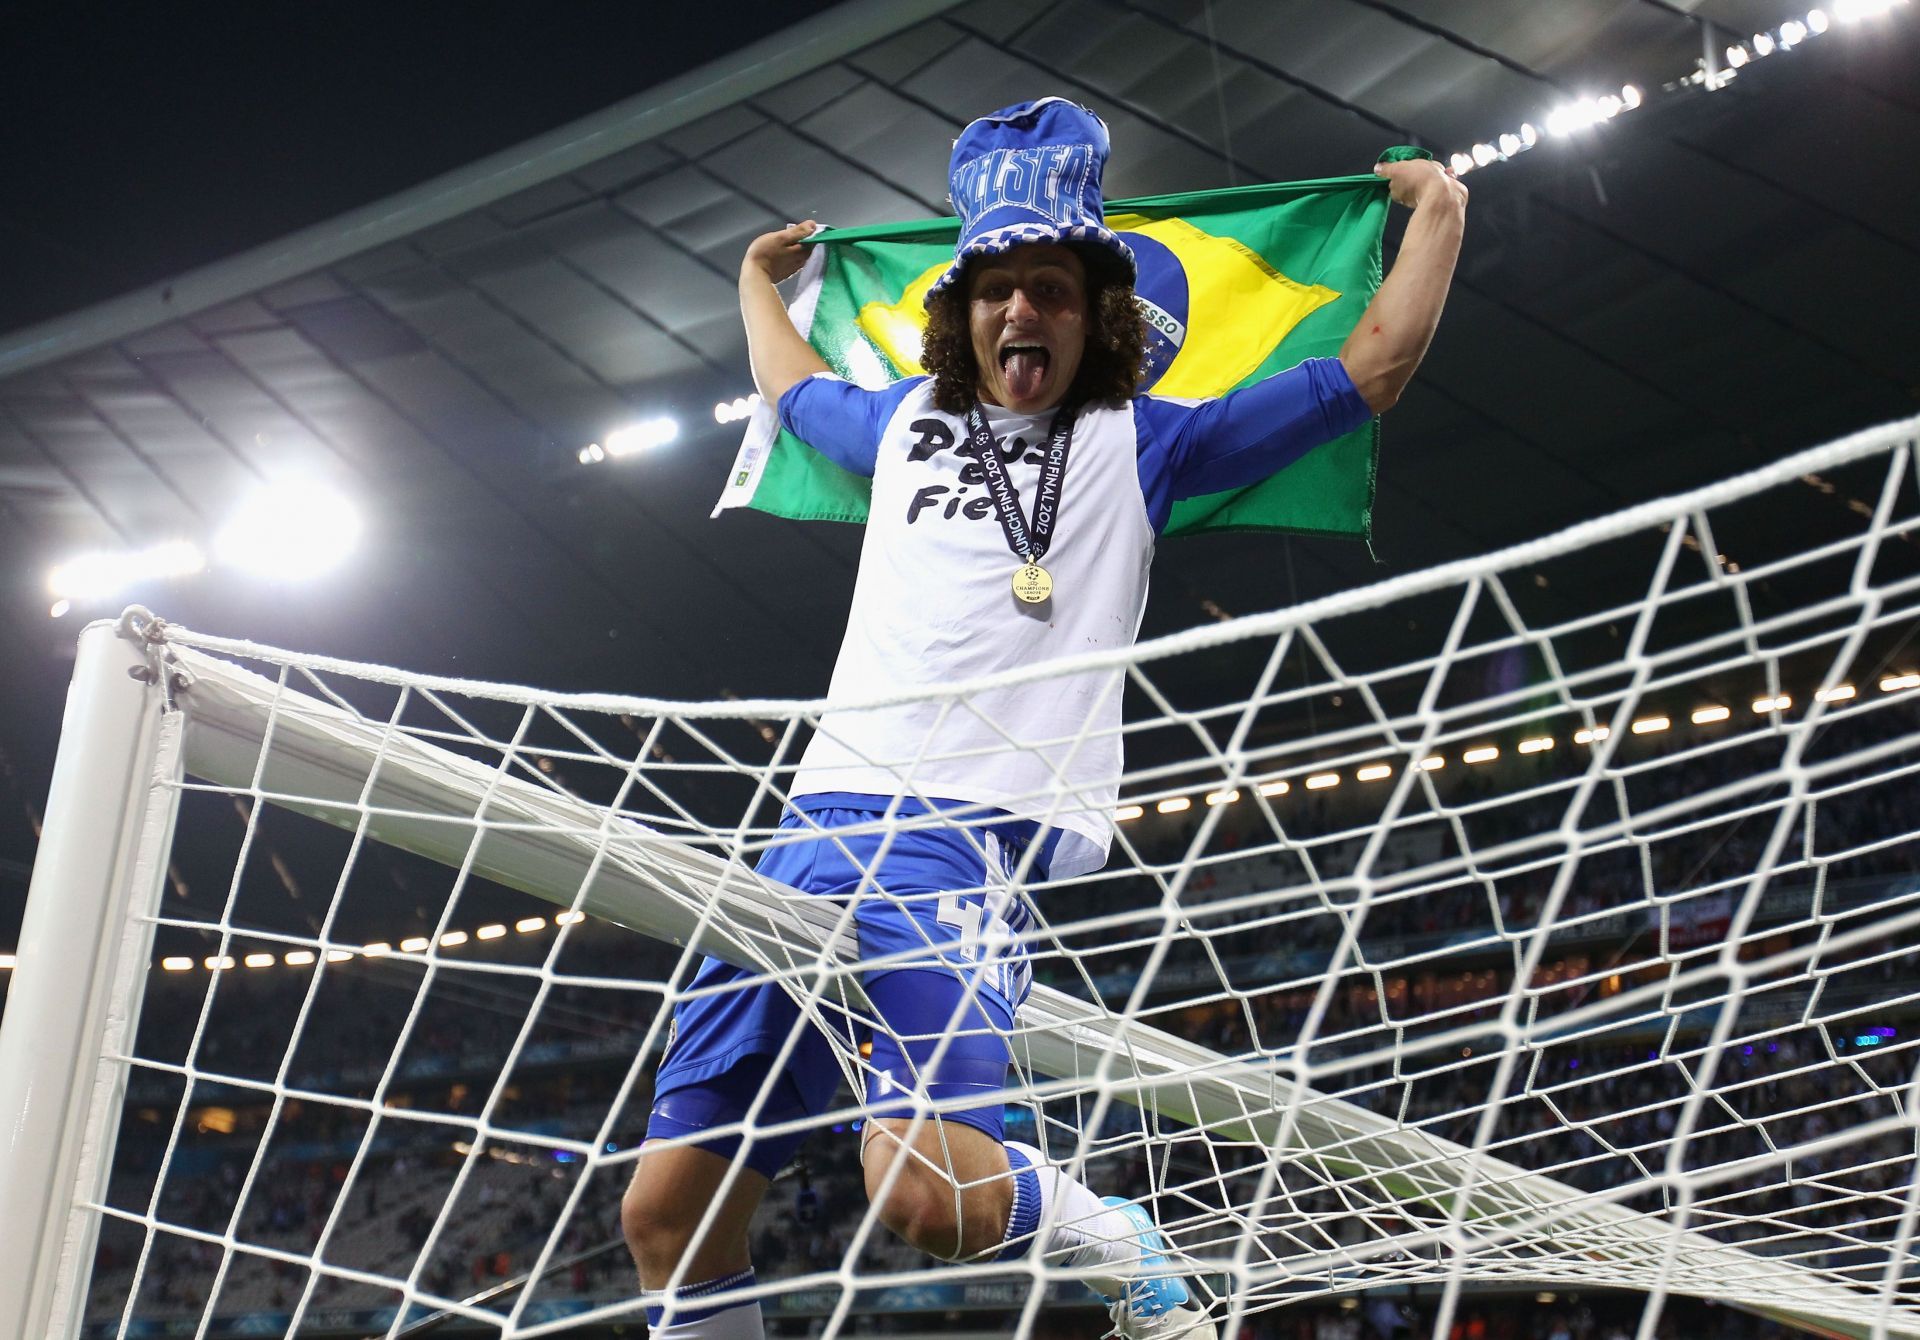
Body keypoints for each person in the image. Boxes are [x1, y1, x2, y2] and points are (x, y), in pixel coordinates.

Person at [622, 97, 1466, 1339]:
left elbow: (1368, 370)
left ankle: (1114, 1235)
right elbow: (792, 387)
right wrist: (754, 278)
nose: (1024, 308)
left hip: (956, 839)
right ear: (962, 316)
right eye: (998, 287)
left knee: (922, 1195)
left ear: (1098, 312)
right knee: (667, 1217)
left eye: (1055, 287)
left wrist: (1439, 214)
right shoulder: (902, 423)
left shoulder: (1149, 446)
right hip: (804, 833)